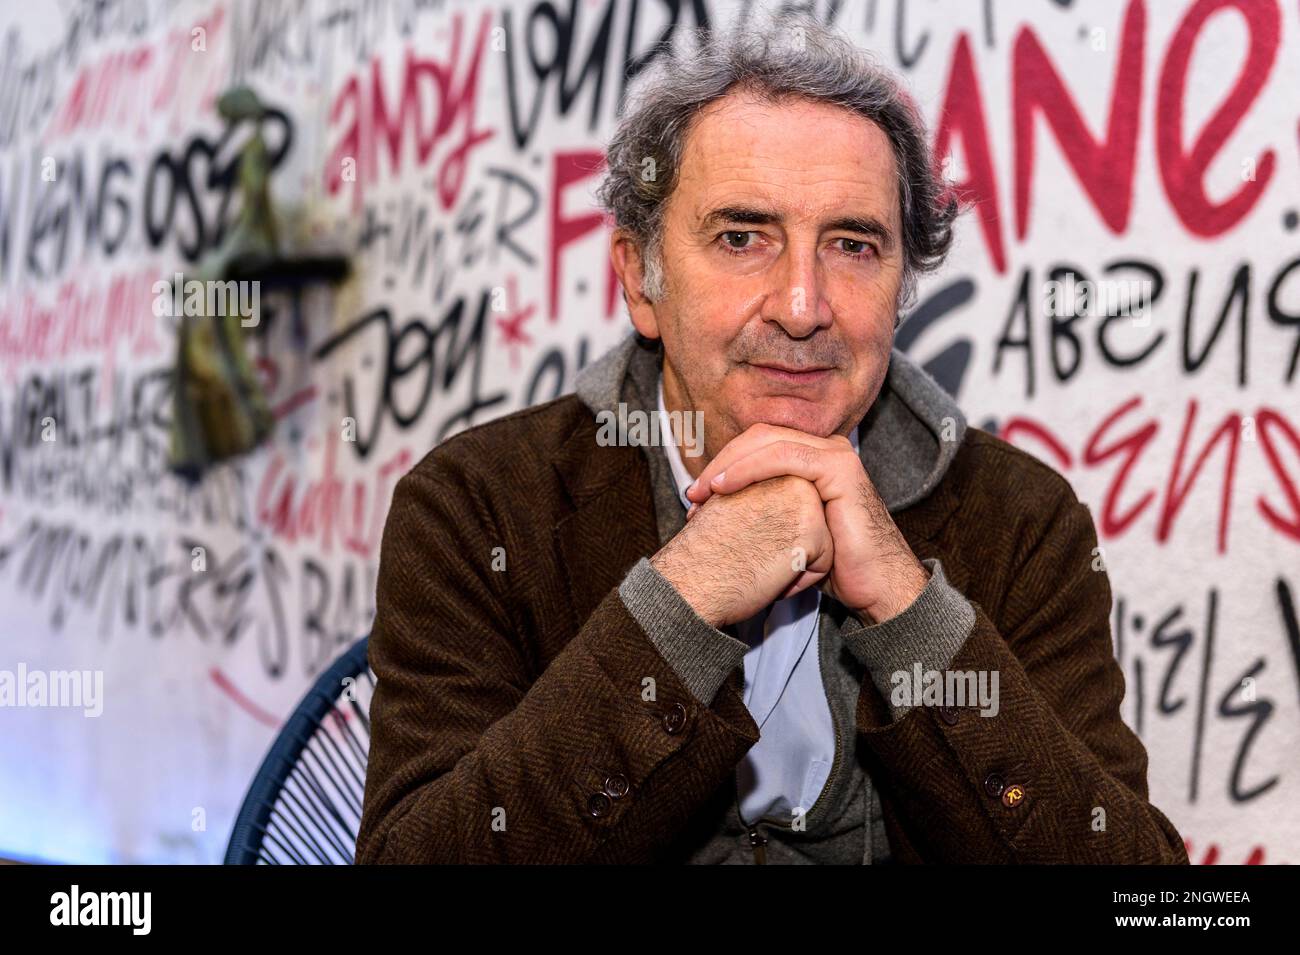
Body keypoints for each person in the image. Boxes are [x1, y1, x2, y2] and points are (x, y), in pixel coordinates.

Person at [355, 15, 1187, 864]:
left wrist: (910, 611)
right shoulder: (477, 507)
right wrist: (681, 601)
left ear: (903, 288)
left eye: (854, 245)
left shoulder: (1022, 519)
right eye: (742, 237)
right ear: (641, 281)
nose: (801, 305)